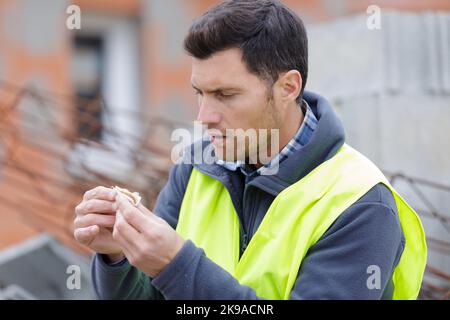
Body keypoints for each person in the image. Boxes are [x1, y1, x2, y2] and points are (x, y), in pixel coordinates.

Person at [74, 0, 426, 300]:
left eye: (225, 95)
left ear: (288, 87)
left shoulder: (361, 204)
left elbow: (176, 274)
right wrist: (118, 257)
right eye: (200, 93)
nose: (204, 117)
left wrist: (176, 264)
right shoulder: (196, 167)